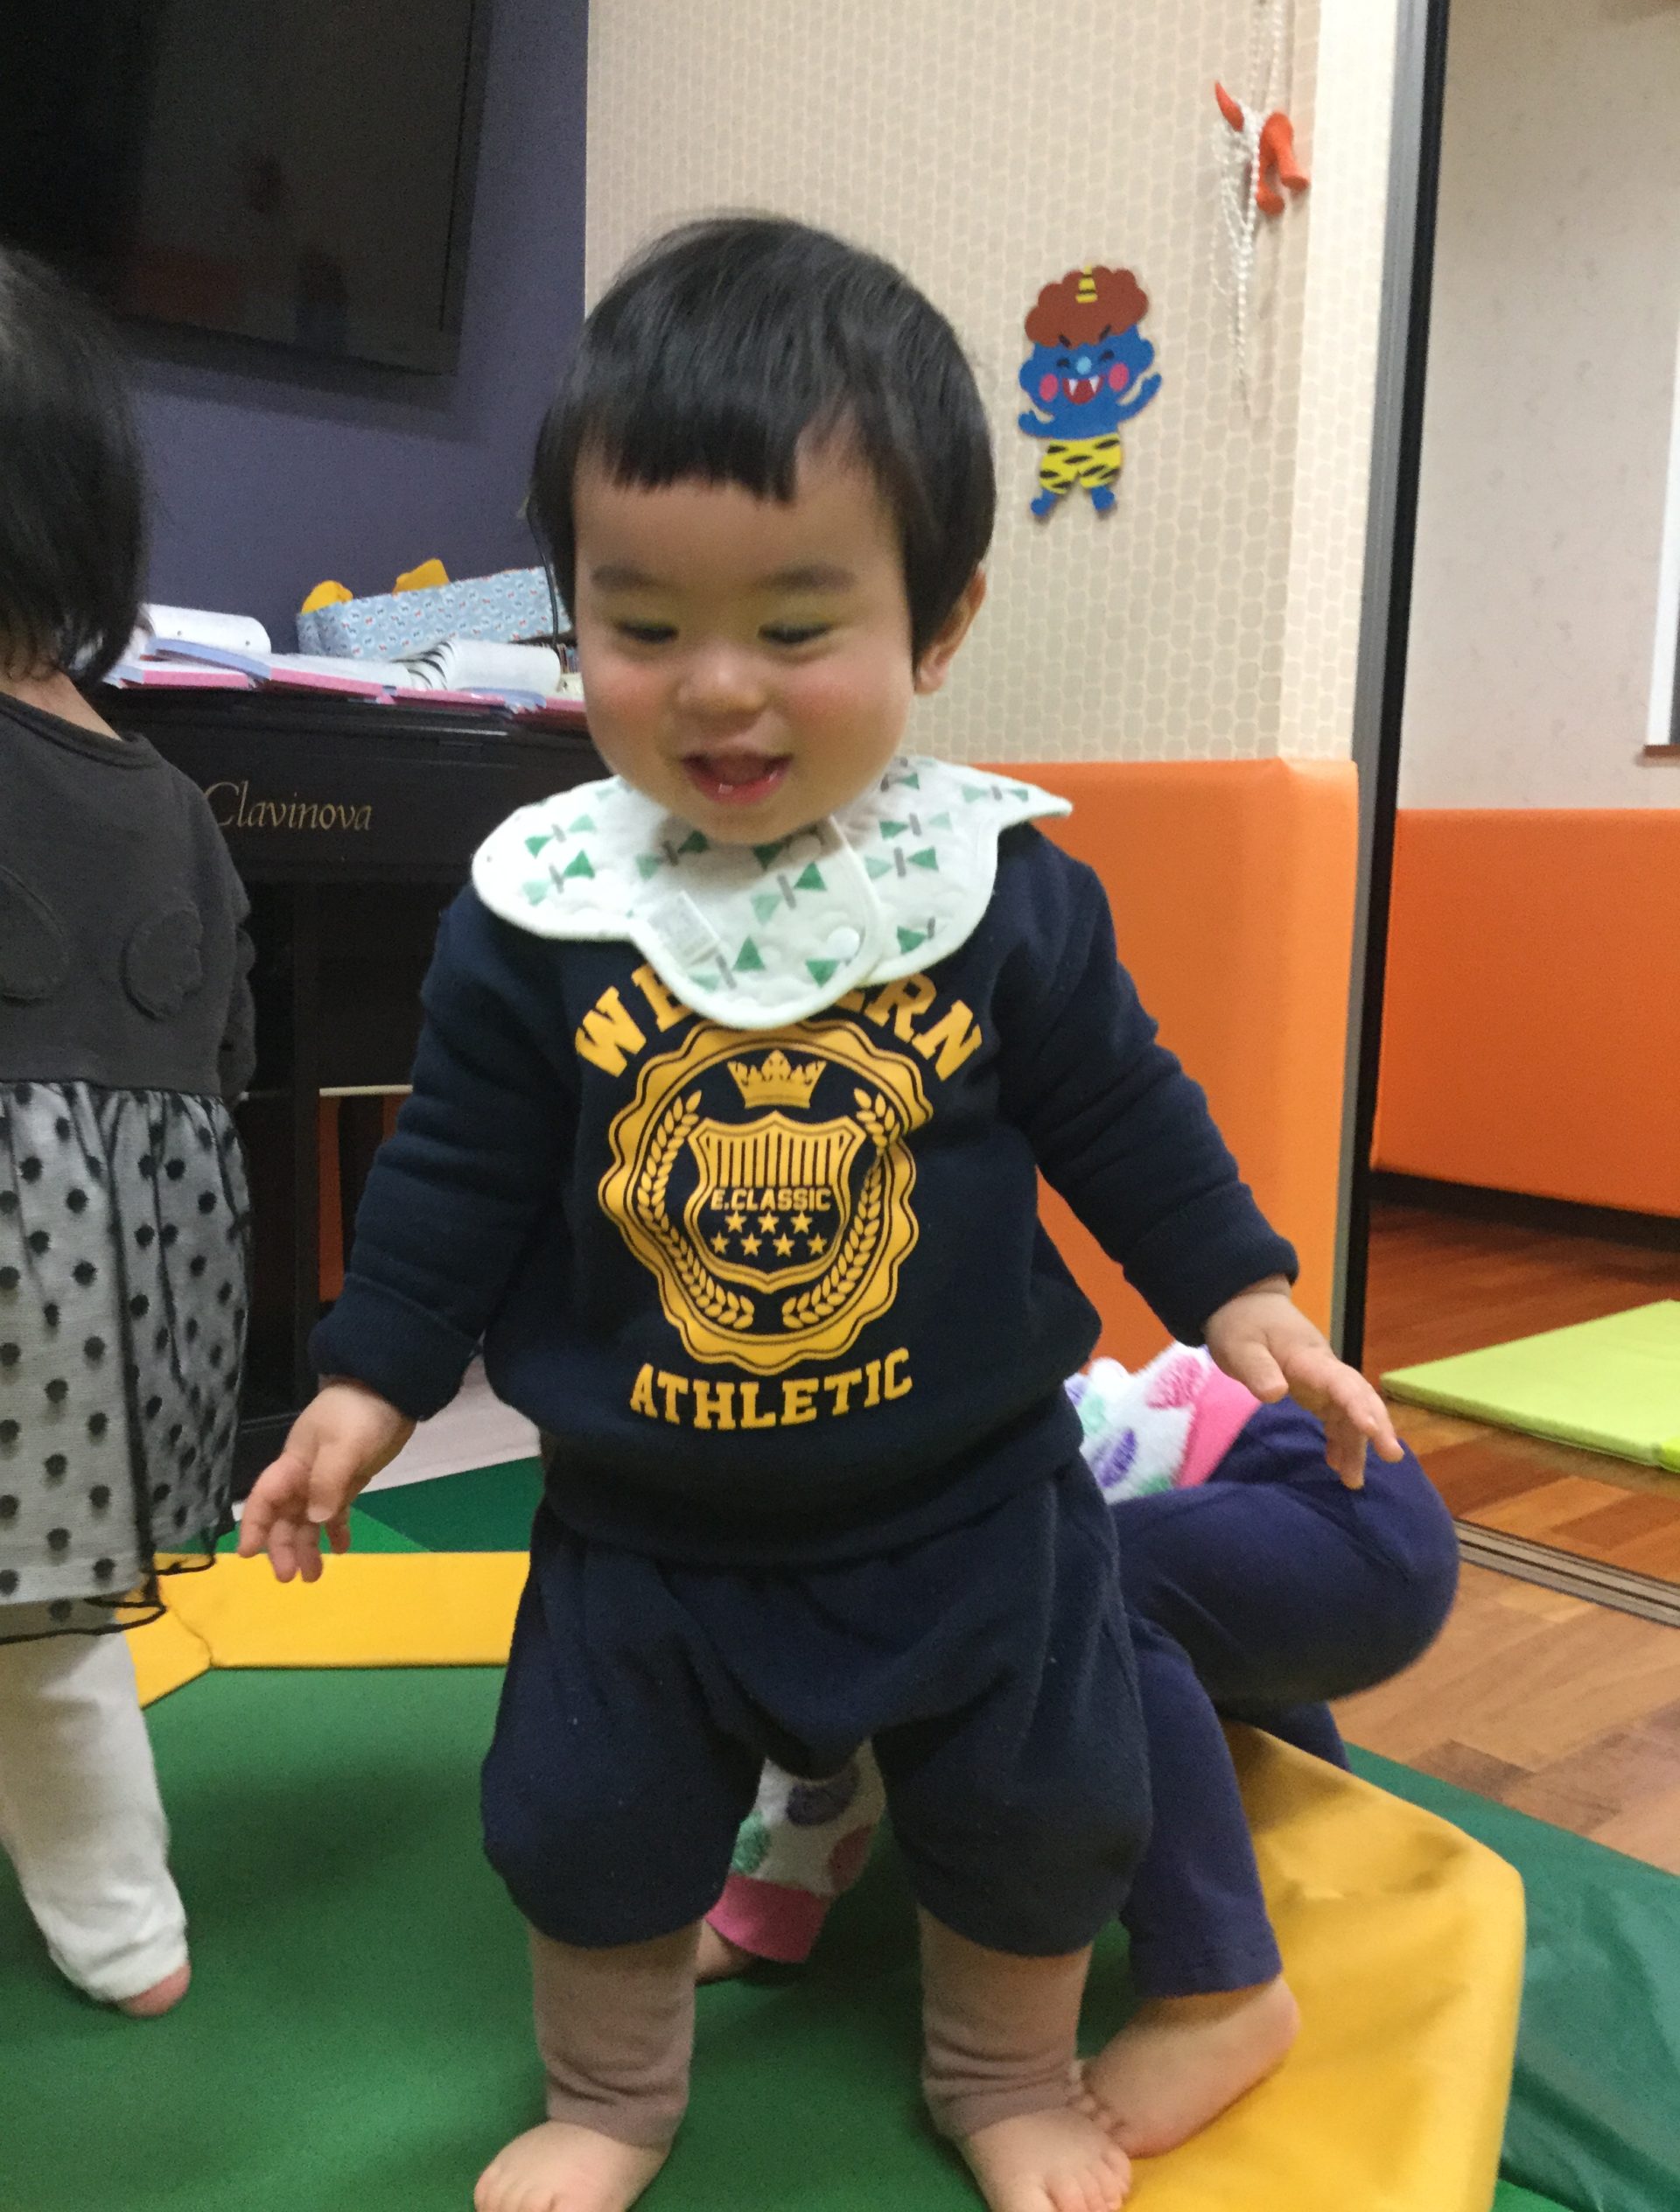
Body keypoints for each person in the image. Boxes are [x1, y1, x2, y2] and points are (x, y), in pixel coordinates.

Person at [239, 217, 1403, 2212]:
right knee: (587, 1814)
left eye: (795, 628)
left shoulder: (998, 891)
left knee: (1040, 1800)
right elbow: (455, 1173)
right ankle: (614, 2098)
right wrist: (366, 1382)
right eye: (640, 624)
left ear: (937, 622)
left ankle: (998, 2068)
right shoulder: (543, 912)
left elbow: (1120, 1110)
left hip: (972, 1500)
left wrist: (1241, 1291)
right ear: (573, 615)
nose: (717, 690)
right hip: (645, 1522)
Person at [697, 1344, 1460, 2158]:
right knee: (1136, 1611)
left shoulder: (860, 1508)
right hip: (1337, 1496)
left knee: (1085, 1600)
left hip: (1322, 1501)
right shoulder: (886, 1434)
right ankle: (1314, 1807)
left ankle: (1220, 1993)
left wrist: (753, 1913)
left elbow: (837, 1729)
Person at [0, 249, 255, 2017]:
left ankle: (119, 1925)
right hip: (110, 1325)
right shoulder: (169, 797)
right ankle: (122, 1926)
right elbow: (223, 1061)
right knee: (52, 1631)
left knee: (38, 1642)